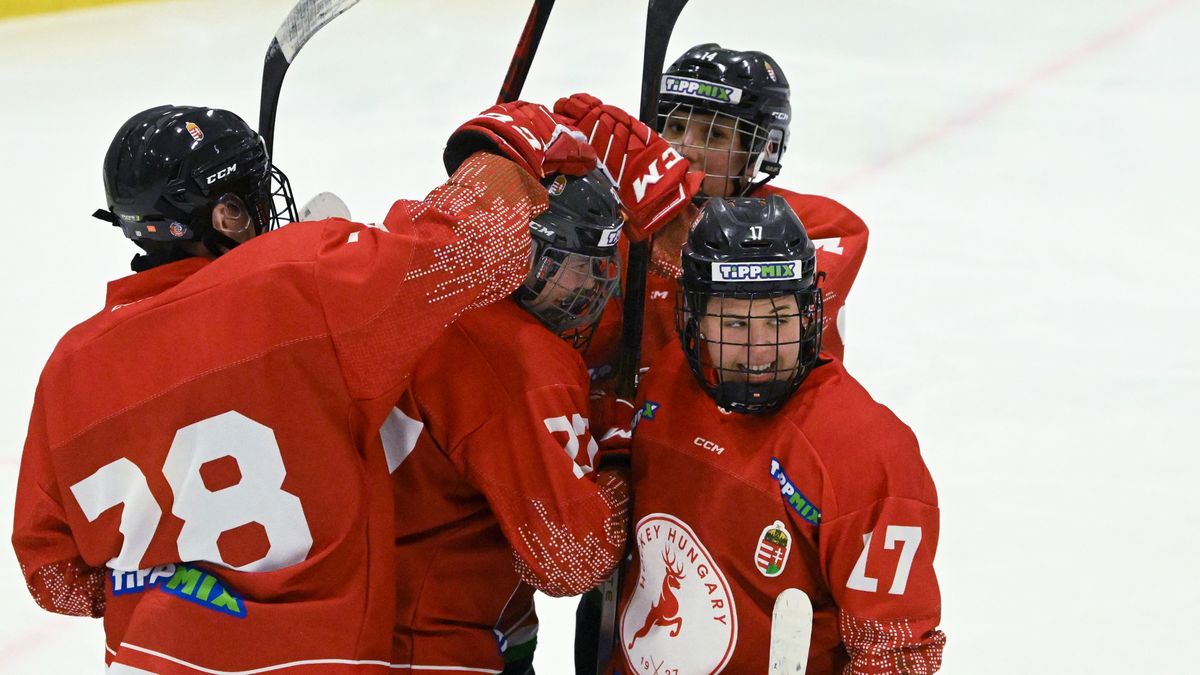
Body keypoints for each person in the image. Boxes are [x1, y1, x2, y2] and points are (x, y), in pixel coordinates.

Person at [11, 101, 597, 674]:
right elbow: (477, 248)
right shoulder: (300, 287)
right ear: (229, 216)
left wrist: (187, 583)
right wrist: (512, 146)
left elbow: (56, 576)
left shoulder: (70, 363)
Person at [607, 196, 945, 674]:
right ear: (695, 319)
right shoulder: (663, 383)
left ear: (809, 315)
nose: (760, 349)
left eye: (778, 319)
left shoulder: (866, 451)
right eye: (735, 323)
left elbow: (896, 653)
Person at [388, 167, 630, 675]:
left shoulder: (412, 275)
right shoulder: (522, 361)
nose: (589, 286)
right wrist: (622, 469)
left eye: (597, 265)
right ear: (520, 250)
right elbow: (570, 559)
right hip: (436, 643)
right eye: (571, 264)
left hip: (370, 612)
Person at [555, 43, 869, 373]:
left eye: (714, 134)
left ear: (757, 154)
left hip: (757, 418)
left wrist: (667, 216)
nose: (684, 149)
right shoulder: (626, 219)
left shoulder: (820, 226)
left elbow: (761, 311)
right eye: (675, 128)